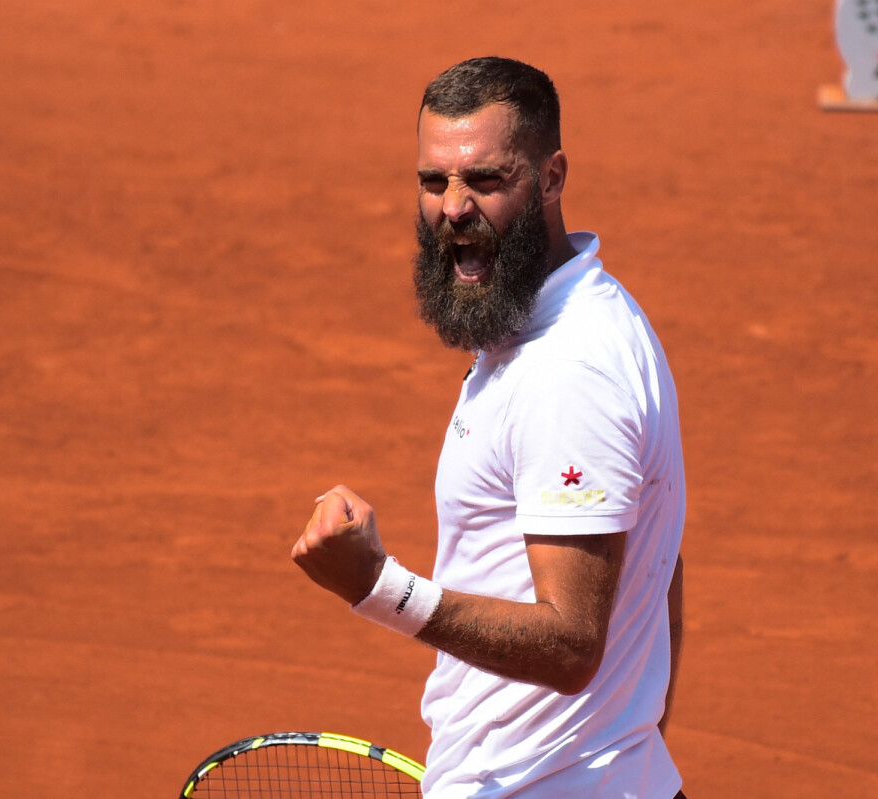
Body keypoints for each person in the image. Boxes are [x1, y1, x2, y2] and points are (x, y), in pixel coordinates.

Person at [291, 56, 687, 799]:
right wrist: (624, 746)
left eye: (485, 180)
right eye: (433, 180)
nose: (453, 207)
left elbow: (571, 643)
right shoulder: (541, 327)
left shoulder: (568, 370)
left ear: (552, 177)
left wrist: (379, 586)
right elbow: (660, 560)